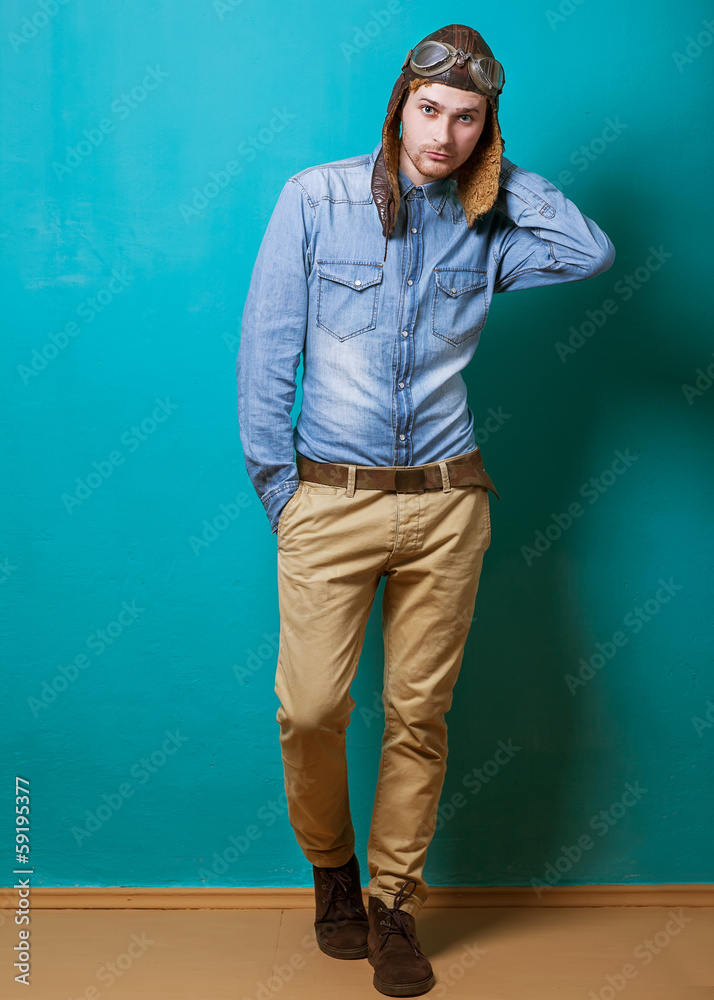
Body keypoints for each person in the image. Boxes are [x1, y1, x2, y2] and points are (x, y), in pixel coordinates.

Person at [236, 23, 615, 997]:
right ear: (399, 103)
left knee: (419, 712)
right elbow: (266, 353)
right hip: (332, 497)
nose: (442, 134)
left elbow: (591, 251)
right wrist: (284, 491)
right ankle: (334, 872)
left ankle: (394, 902)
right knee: (311, 707)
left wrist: (502, 171)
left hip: (450, 502)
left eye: (467, 118)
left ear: (487, 127)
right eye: (430, 108)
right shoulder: (313, 200)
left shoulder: (490, 222)